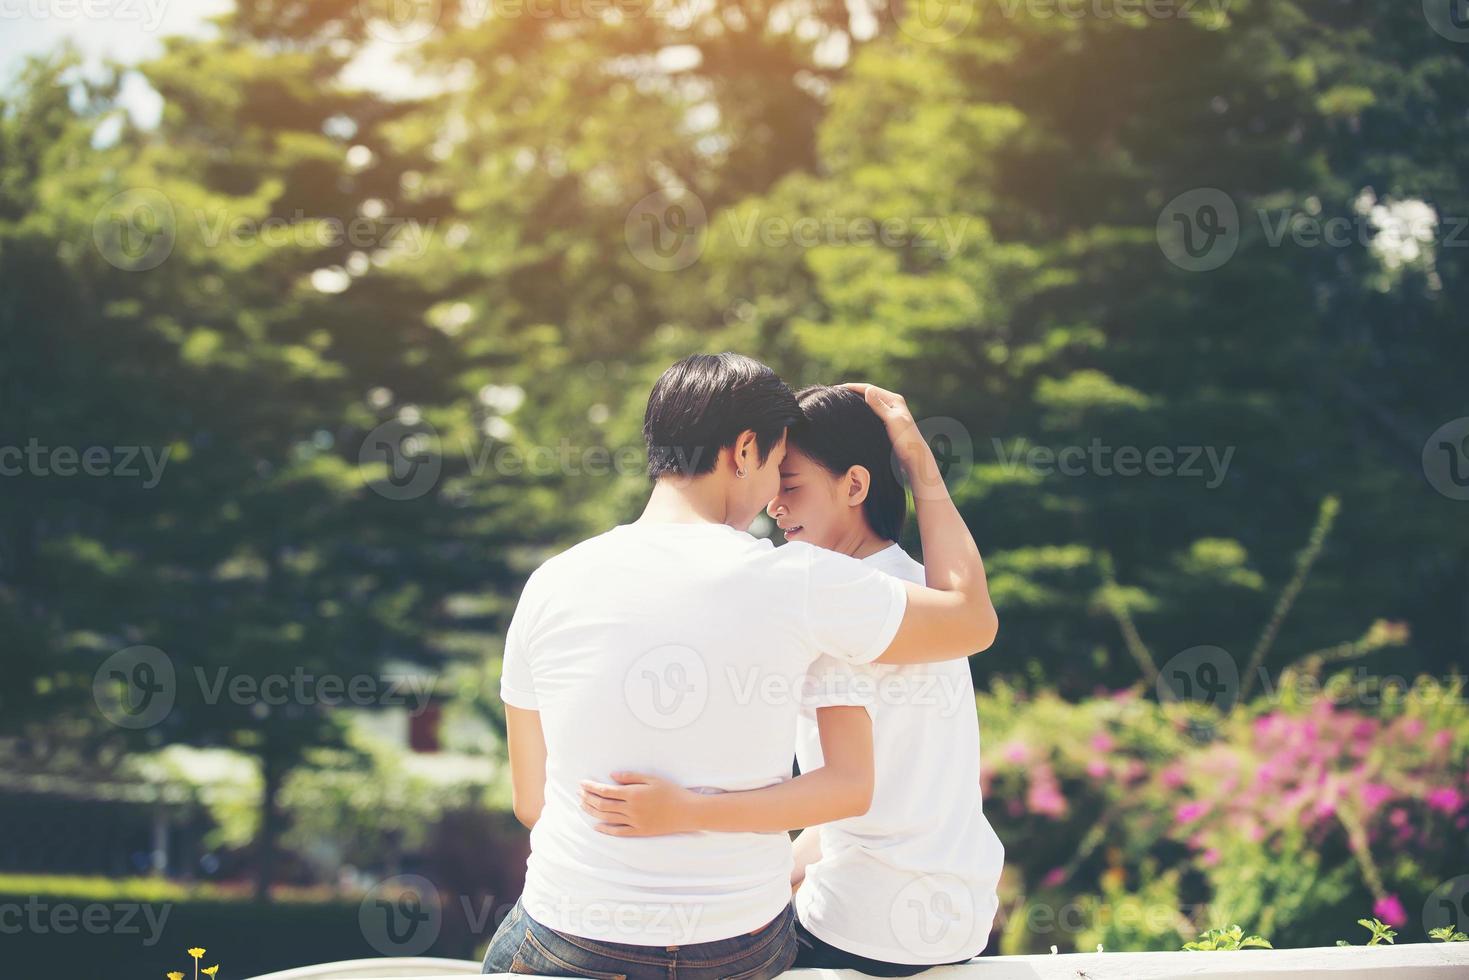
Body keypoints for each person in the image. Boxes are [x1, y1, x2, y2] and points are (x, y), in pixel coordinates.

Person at [484, 353, 997, 980]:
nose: (774, 503)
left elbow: (532, 802)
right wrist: (920, 464)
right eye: (777, 468)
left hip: (574, 930)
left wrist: (666, 823)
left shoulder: (551, 581)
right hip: (740, 947)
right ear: (745, 451)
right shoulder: (801, 583)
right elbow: (969, 622)